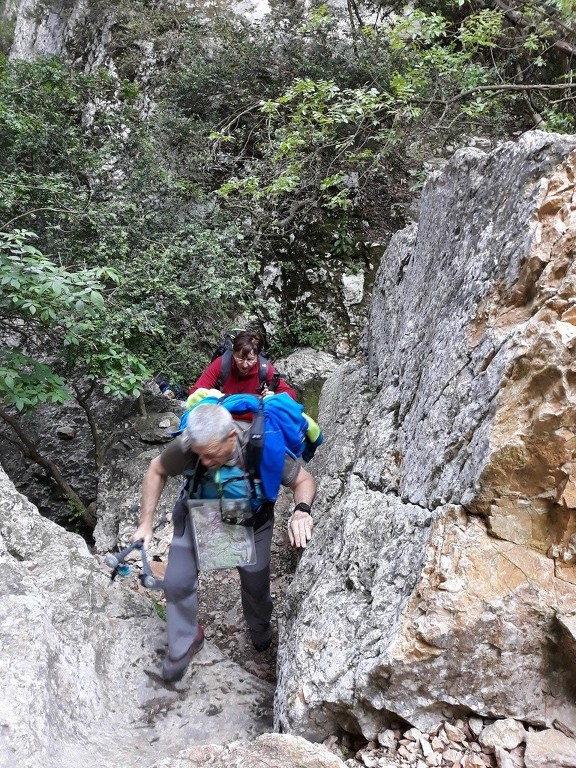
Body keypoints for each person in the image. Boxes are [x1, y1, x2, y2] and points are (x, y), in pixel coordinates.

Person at [132, 402, 316, 683]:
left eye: (210, 454)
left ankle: (260, 628)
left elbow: (303, 480)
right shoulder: (188, 445)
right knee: (177, 581)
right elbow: (156, 470)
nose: (204, 461)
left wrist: (301, 511)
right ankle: (185, 640)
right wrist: (145, 523)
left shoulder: (261, 447)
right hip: (199, 511)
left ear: (231, 436)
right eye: (199, 455)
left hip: (251, 520)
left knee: (256, 586)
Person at [190, 330, 297, 399]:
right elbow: (195, 393)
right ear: (233, 353)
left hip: (253, 418)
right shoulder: (222, 363)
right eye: (240, 358)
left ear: (257, 357)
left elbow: (290, 394)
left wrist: (274, 396)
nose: (245, 365)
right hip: (225, 415)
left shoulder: (264, 367)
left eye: (250, 359)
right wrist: (214, 396)